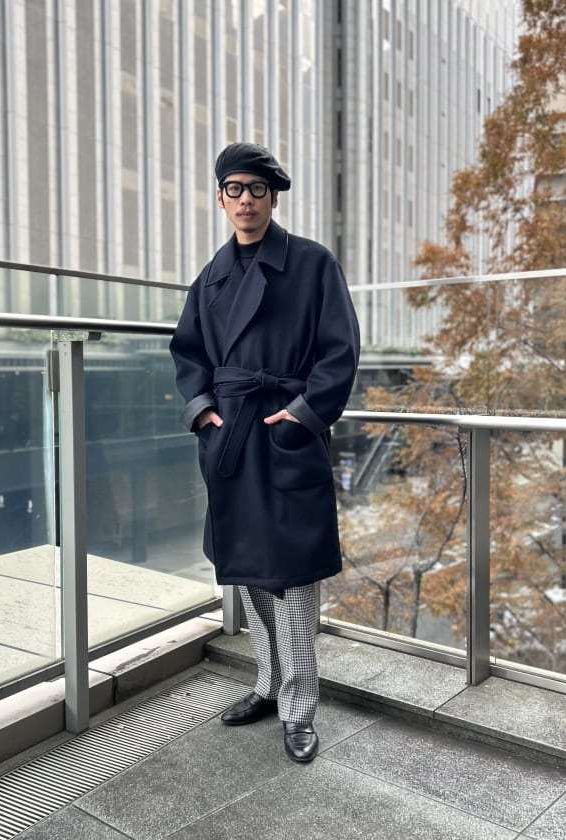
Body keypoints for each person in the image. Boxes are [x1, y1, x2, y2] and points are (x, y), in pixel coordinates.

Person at [170, 142, 359, 763]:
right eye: (235, 189)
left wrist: (303, 414)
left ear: (272, 197)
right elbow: (188, 353)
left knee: (294, 576)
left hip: (285, 432)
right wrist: (202, 411)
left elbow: (340, 350)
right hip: (231, 437)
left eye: (256, 189)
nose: (245, 200)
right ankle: (270, 686)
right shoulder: (211, 277)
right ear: (220, 198)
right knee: (251, 572)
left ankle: (300, 707)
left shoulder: (311, 263)